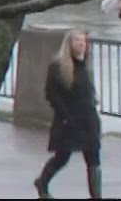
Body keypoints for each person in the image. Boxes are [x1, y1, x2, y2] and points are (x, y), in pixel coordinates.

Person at [36, 29, 103, 199]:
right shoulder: (58, 67)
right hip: (69, 121)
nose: (81, 44)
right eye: (77, 40)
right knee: (62, 157)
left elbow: (87, 92)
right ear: (69, 44)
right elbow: (51, 95)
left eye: (83, 41)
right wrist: (66, 116)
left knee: (93, 158)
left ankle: (96, 196)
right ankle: (42, 183)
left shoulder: (84, 65)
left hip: (88, 119)